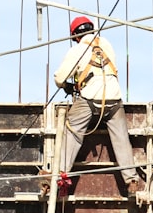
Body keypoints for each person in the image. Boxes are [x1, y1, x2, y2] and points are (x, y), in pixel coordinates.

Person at [52, 15, 145, 195]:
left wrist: (67, 86)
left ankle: (59, 176)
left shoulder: (78, 49)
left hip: (89, 99)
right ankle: (131, 180)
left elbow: (59, 77)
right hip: (114, 99)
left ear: (75, 36)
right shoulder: (106, 44)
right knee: (121, 139)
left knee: (73, 132)